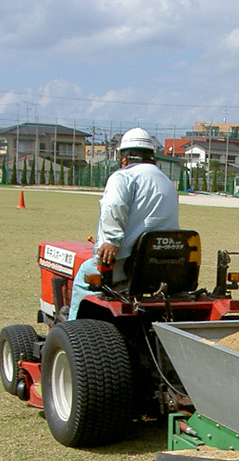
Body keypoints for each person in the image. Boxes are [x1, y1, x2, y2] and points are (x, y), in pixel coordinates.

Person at [67, 127, 179, 320]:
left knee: (83, 275)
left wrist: (112, 240)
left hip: (127, 265)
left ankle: (70, 330)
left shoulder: (124, 177)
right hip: (163, 266)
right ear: (151, 155)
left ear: (124, 157)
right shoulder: (166, 182)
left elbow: (114, 205)